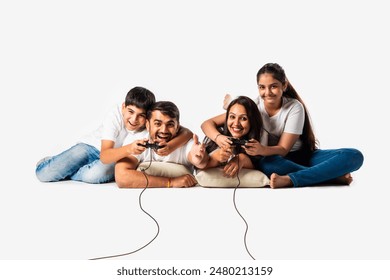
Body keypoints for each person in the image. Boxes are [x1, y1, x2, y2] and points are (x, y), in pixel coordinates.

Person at [201, 63, 364, 188]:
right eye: (262, 87)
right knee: (268, 164)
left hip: (301, 156)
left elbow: (284, 149)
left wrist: (261, 150)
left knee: (355, 155)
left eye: (273, 86)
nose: (268, 92)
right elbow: (207, 123)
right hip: (275, 160)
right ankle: (329, 176)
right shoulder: (255, 107)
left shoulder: (294, 107)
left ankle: (292, 179)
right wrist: (219, 137)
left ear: (283, 86)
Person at [36, 87, 193, 184]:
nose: (133, 120)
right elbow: (105, 155)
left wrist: (171, 146)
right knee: (43, 174)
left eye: (141, 115)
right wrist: (130, 148)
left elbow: (186, 132)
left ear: (148, 118)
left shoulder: (152, 124)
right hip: (92, 148)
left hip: (116, 158)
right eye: (130, 112)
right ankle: (52, 162)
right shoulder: (115, 114)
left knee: (95, 176)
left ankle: (68, 171)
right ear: (123, 107)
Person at [115, 101, 209, 188]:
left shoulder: (187, 142)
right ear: (147, 125)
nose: (164, 130)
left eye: (170, 125)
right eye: (158, 124)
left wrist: (199, 159)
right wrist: (171, 182)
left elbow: (200, 161)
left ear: (177, 127)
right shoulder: (137, 140)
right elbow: (122, 177)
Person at [201, 96, 263, 178]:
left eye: (243, 118)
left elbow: (257, 165)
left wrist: (242, 159)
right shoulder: (217, 137)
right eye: (232, 117)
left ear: (252, 121)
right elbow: (198, 168)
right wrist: (216, 158)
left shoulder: (258, 142)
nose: (236, 123)